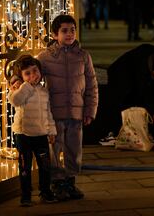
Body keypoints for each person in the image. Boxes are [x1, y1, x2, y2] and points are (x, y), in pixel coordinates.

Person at [37, 14, 98, 200]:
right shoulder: (45, 57)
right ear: (55, 34)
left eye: (72, 30)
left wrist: (90, 110)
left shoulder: (83, 56)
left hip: (76, 112)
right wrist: (17, 78)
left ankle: (70, 181)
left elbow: (92, 85)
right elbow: (32, 75)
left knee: (74, 148)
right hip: (54, 113)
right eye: (64, 30)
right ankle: (56, 183)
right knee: (54, 150)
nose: (70, 34)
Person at [99, 44, 154, 146]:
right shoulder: (140, 64)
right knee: (125, 100)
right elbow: (144, 93)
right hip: (120, 74)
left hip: (139, 74)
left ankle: (142, 132)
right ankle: (113, 134)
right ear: (152, 68)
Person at [8, 55, 58, 207]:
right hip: (23, 135)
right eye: (27, 73)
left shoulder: (43, 92)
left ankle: (45, 191)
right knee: (25, 167)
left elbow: (48, 112)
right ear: (21, 77)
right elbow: (15, 101)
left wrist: (51, 131)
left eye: (35, 71)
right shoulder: (20, 90)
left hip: (41, 134)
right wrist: (26, 86)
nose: (32, 75)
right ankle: (26, 195)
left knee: (44, 166)